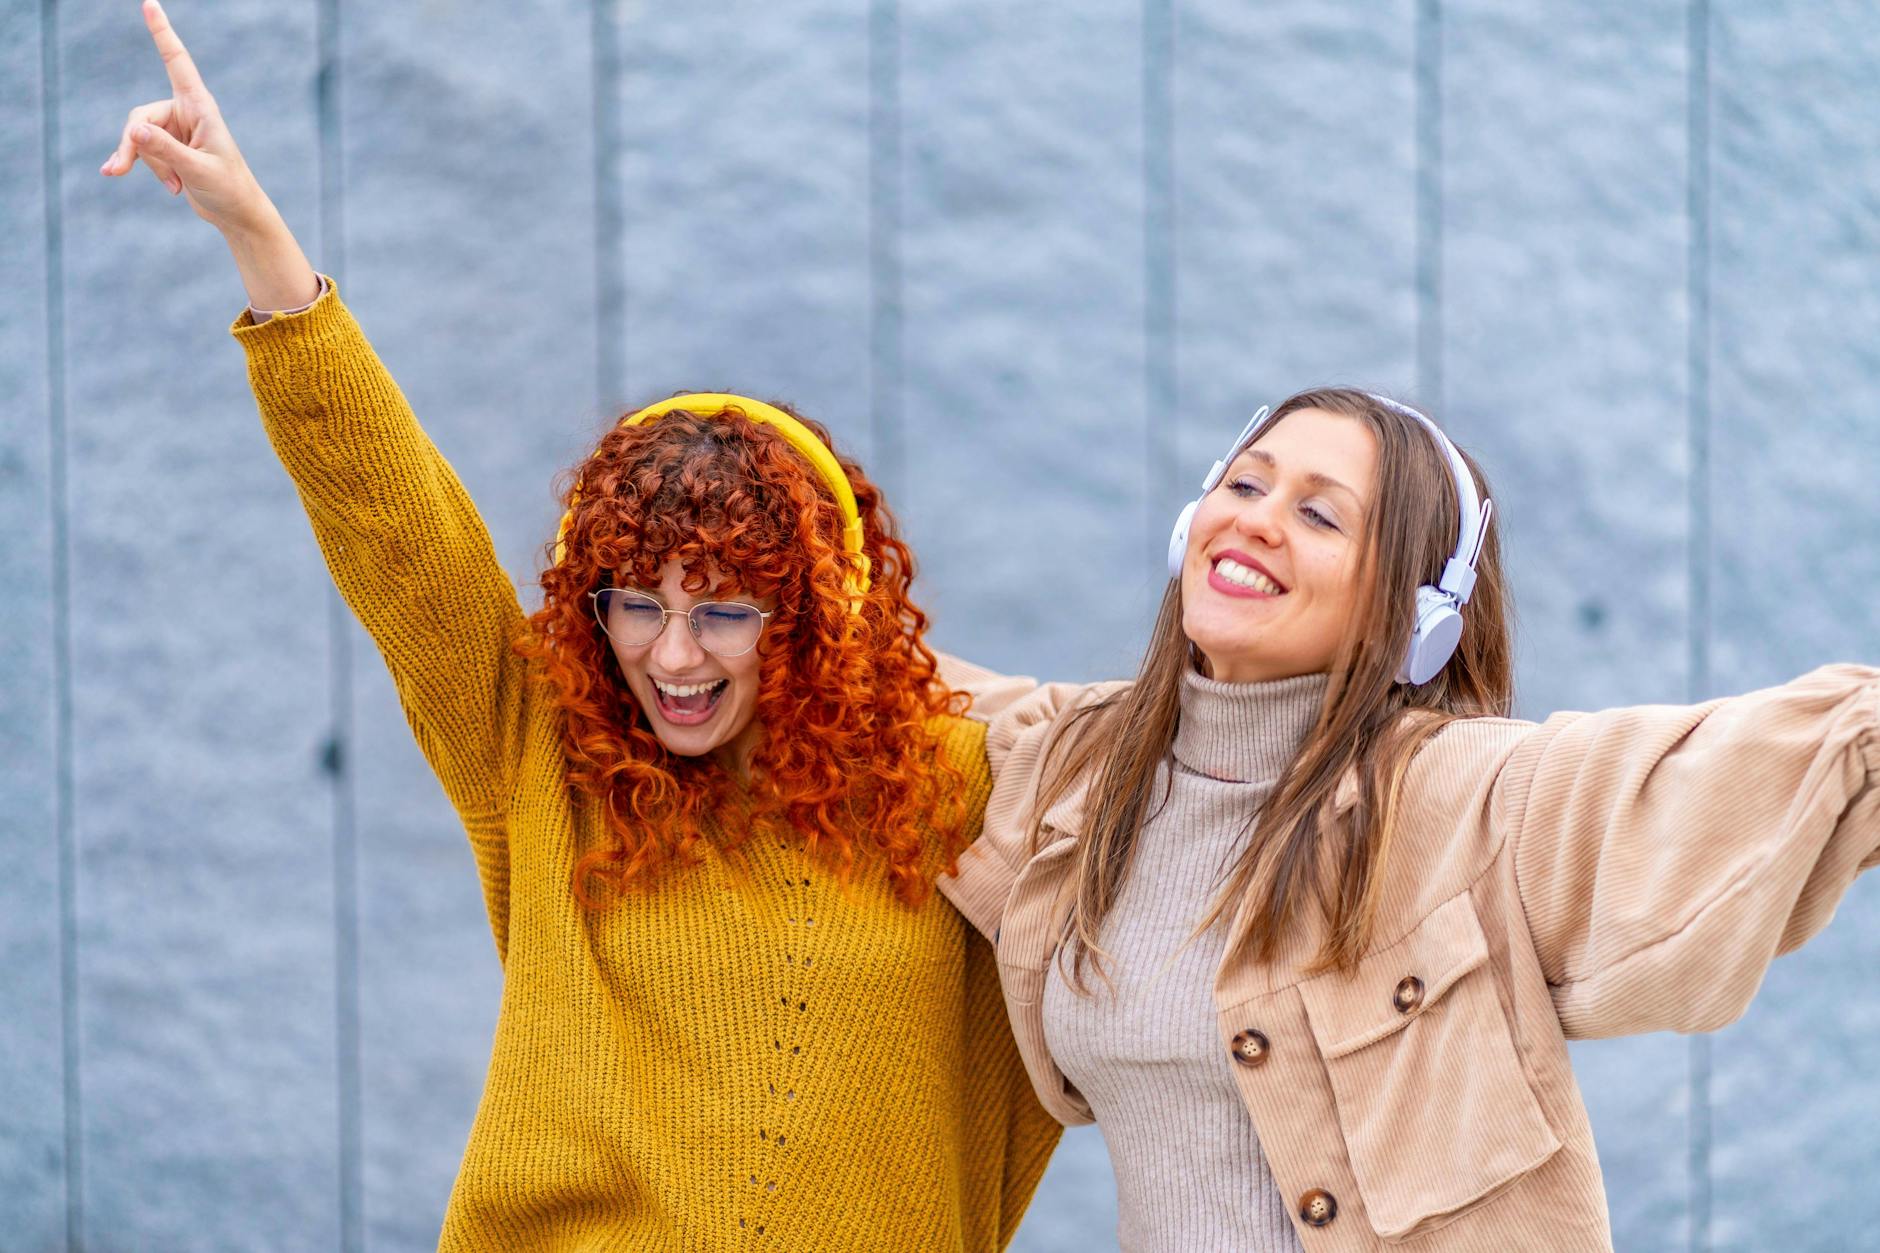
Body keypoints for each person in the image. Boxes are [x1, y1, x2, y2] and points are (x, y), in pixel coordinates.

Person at [102, 3, 1059, 1248]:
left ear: (817, 613)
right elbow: (400, 536)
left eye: (722, 608)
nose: (669, 653)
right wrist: (258, 237)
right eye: (633, 603)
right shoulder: (546, 756)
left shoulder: (963, 782)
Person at [941, 387, 1879, 1251]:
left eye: (1317, 513)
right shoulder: (1081, 767)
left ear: (1412, 615)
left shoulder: (1468, 796)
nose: (1257, 521)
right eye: (1244, 484)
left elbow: (1712, 776)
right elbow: (889, 688)